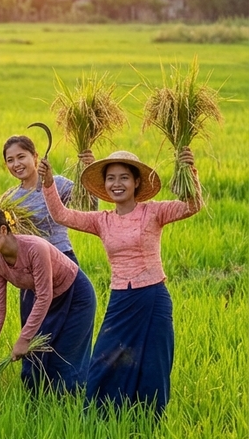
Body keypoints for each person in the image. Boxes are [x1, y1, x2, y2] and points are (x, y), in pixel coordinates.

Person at [41, 149, 202, 415]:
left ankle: (148, 420)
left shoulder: (153, 212)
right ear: (104, 185)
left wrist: (190, 172)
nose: (117, 184)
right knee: (104, 359)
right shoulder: (102, 220)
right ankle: (100, 417)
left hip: (153, 298)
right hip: (120, 300)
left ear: (137, 182)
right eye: (111, 178)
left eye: (124, 177)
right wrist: (48, 183)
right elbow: (62, 216)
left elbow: (193, 206)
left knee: (154, 362)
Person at [0, 205, 96, 393]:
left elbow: (44, 296)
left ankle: (73, 407)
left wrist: (24, 338)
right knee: (34, 362)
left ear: (3, 230)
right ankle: (37, 408)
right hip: (46, 299)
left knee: (65, 360)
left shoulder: (35, 248)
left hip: (75, 296)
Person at [2, 135, 95, 320]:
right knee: (34, 334)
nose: (16, 164)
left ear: (35, 157)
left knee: (63, 329)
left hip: (62, 260)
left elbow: (89, 208)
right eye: (10, 160)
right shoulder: (9, 199)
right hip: (31, 271)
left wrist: (89, 171)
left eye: (21, 157)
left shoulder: (58, 183)